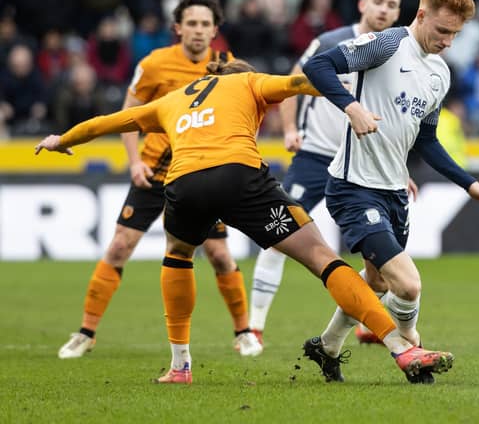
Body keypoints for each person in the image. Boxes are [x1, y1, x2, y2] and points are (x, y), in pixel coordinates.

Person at [36, 59, 454, 385]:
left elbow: (110, 122)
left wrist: (61, 140)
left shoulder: (174, 99)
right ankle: (400, 346)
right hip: (240, 177)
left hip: (183, 183)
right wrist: (345, 97)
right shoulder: (248, 82)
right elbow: (295, 84)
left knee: (179, 255)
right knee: (321, 257)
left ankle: (180, 366)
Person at [302, 0, 479, 383]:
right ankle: (411, 347)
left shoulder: (440, 73)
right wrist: (351, 108)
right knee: (409, 284)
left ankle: (326, 346)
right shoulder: (386, 44)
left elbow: (428, 141)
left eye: (456, 34)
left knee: (377, 281)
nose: (449, 41)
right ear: (421, 16)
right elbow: (318, 65)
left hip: (394, 192)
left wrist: (470, 184)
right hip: (352, 186)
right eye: (443, 30)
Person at [57, 0, 263, 360]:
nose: (198, 31)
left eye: (205, 25)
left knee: (217, 253)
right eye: (192, 24)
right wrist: (134, 162)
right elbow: (129, 114)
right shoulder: (154, 64)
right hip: (153, 171)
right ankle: (85, 332)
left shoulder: (228, 66)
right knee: (120, 246)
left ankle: (244, 332)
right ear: (177, 28)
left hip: (200, 172)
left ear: (215, 30)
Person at [248, 0, 404, 346]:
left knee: (376, 252)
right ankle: (252, 328)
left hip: (364, 163)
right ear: (362, 5)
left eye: (391, 5)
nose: (383, 9)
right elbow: (291, 85)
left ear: (399, 13)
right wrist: (289, 129)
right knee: (278, 234)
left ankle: (367, 323)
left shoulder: (397, 53)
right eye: (378, 1)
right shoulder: (332, 42)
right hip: (316, 155)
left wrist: (398, 167)